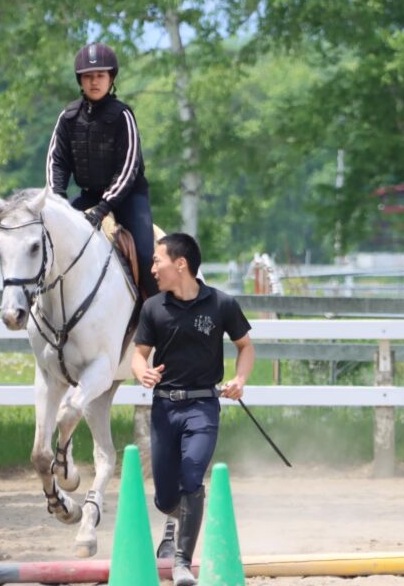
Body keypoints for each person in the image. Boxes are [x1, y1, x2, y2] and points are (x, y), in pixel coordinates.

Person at [131, 233, 255, 586]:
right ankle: (185, 515)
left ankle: (182, 563)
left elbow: (245, 347)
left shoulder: (222, 304)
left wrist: (240, 379)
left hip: (203, 406)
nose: (152, 268)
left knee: (192, 477)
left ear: (180, 263)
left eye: (157, 260)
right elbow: (138, 356)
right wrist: (144, 373)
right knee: (166, 496)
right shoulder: (153, 308)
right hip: (164, 409)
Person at [45, 42, 158, 297]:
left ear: (111, 78)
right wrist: (58, 203)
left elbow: (129, 168)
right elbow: (56, 162)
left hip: (129, 197)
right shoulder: (68, 117)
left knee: (144, 253)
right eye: (88, 76)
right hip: (89, 195)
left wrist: (103, 208)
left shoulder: (123, 115)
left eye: (100, 76)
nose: (94, 82)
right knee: (49, 239)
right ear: (80, 80)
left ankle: (155, 318)